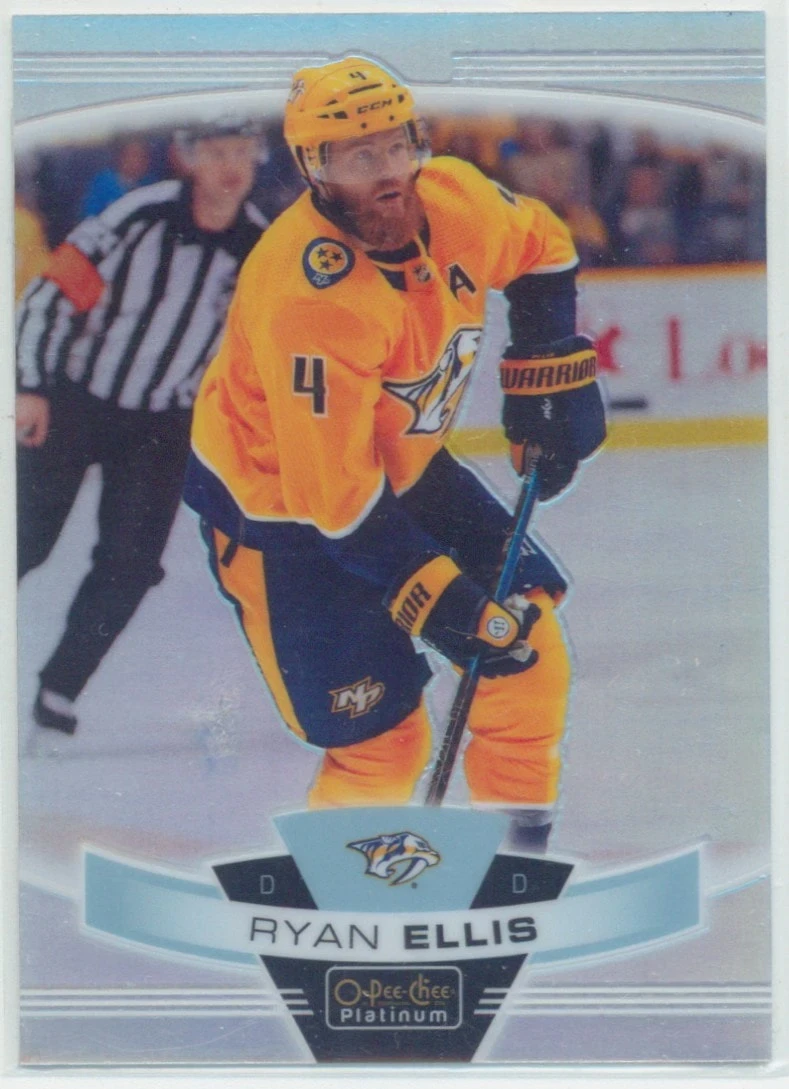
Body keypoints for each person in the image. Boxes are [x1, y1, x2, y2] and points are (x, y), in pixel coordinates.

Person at [184, 58, 606, 851]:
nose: (386, 173)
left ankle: (511, 866)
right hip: (280, 511)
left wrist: (546, 372)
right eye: (356, 157)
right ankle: (341, 892)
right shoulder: (308, 295)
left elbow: (543, 247)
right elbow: (334, 500)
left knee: (527, 657)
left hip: (397, 468)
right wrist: (448, 607)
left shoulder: (454, 197)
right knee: (382, 741)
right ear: (313, 168)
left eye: (395, 146)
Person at [16, 116, 268, 737]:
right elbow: (51, 294)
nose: (231, 167)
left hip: (163, 425)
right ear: (189, 157)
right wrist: (31, 385)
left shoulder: (260, 249)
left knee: (130, 564)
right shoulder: (140, 215)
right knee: (24, 540)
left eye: (242, 152)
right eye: (217, 152)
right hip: (77, 401)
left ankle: (59, 688)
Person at [80, 136, 158, 219]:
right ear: (120, 158)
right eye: (134, 155)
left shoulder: (151, 183)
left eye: (144, 156)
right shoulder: (102, 184)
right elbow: (89, 217)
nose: (140, 160)